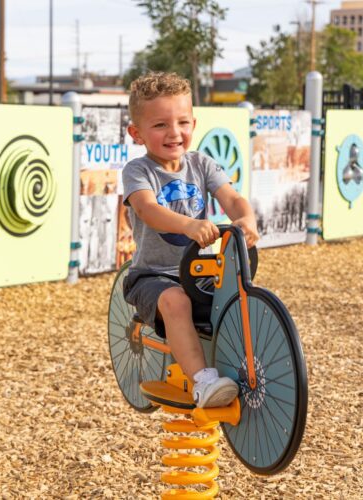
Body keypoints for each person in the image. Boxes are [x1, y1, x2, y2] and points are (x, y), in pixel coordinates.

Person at [122, 72, 259, 408]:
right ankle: (203, 383)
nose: (174, 133)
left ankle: (247, 365)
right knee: (176, 302)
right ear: (136, 133)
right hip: (153, 275)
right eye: (160, 125)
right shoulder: (139, 171)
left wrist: (246, 218)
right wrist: (187, 225)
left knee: (239, 295)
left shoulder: (201, 164)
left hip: (199, 270)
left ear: (194, 123)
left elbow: (231, 198)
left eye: (182, 122)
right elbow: (147, 208)